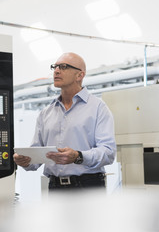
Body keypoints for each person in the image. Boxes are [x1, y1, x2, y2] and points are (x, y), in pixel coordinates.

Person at [13, 52, 116, 191]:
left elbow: (108, 152)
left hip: (88, 187)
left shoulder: (98, 108)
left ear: (80, 75)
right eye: (54, 67)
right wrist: (25, 161)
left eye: (63, 67)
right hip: (55, 187)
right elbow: (36, 159)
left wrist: (78, 156)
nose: (56, 71)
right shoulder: (46, 113)